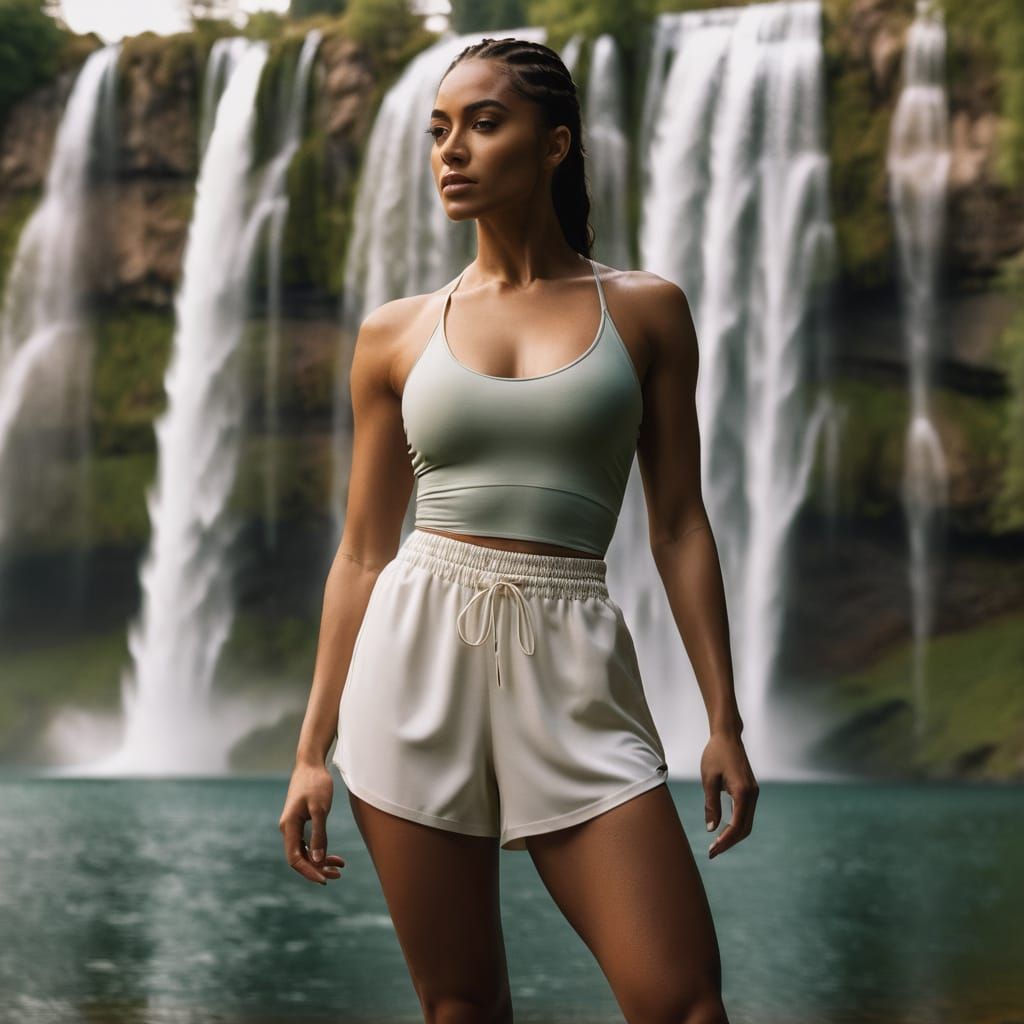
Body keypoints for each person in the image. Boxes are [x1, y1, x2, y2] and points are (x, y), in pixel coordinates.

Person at [279, 35, 757, 1024]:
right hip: (411, 662)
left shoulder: (646, 311)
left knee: (683, 1004)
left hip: (571, 657)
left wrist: (722, 719)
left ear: (554, 144)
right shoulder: (395, 332)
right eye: (439, 131)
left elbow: (677, 525)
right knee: (461, 1007)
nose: (451, 151)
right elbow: (365, 548)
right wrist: (311, 747)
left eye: (484, 124)